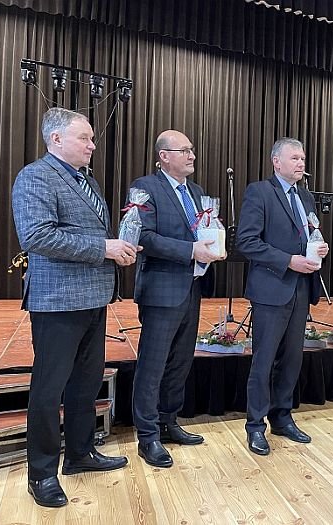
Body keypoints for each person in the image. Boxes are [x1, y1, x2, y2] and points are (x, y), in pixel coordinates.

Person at [11, 108, 137, 507]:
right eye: (84, 138)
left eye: (91, 138)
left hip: (94, 298)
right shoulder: (36, 176)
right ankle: (42, 473)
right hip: (58, 302)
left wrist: (116, 247)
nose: (92, 145)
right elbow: (37, 236)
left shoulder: (86, 179)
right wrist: (104, 248)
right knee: (49, 391)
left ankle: (80, 454)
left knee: (85, 384)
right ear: (56, 140)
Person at [131, 130, 225, 468]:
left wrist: (215, 237)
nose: (192, 156)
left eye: (192, 150)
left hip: (192, 288)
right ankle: (147, 435)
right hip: (161, 290)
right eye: (184, 150)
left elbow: (201, 231)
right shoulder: (145, 188)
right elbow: (144, 236)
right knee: (153, 364)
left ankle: (168, 422)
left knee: (181, 361)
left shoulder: (197, 192)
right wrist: (191, 250)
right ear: (164, 156)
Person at [236, 137, 329, 456]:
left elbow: (308, 235)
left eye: (303, 158)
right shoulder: (260, 192)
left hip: (301, 287)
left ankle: (282, 416)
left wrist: (317, 247)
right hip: (272, 288)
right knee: (263, 360)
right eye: (294, 158)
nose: (301, 163)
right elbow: (247, 242)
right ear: (276, 162)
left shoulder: (306, 196)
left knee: (292, 359)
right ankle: (255, 425)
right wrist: (288, 260)